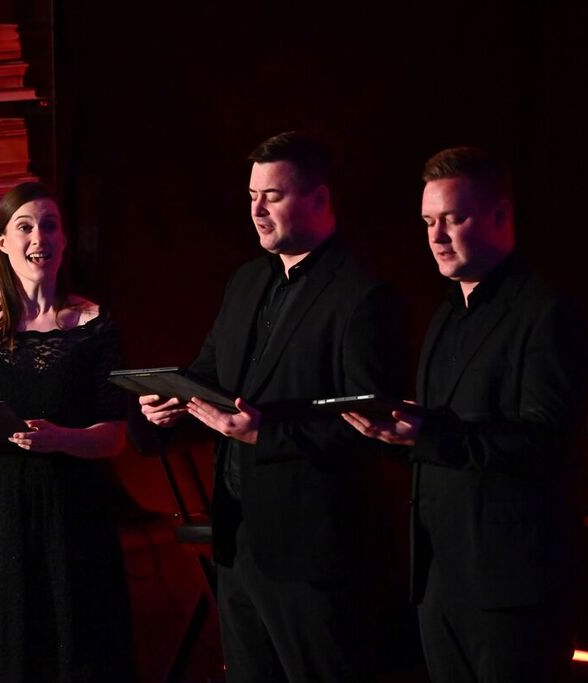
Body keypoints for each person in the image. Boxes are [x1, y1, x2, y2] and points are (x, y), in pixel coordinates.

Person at [140, 131, 405, 682]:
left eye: (273, 196)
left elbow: (370, 425)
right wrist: (171, 402)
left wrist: (265, 435)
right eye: (252, 196)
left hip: (312, 553)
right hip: (238, 540)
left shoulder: (362, 295)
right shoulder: (245, 281)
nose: (256, 210)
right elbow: (208, 375)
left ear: (318, 198)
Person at [343, 147, 588, 682]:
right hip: (440, 580)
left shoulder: (547, 311)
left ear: (500, 215)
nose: (436, 237)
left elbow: (547, 443)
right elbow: (443, 434)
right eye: (428, 222)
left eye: (453, 219)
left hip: (514, 587)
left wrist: (426, 435)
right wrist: (394, 433)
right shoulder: (445, 313)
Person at [0, 182, 133, 683]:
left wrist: (62, 438)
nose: (39, 237)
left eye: (49, 226)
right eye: (25, 227)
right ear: (3, 242)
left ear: (64, 240)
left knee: (72, 658)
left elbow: (115, 436)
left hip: (72, 508)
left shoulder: (95, 325)